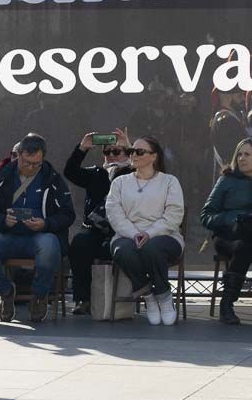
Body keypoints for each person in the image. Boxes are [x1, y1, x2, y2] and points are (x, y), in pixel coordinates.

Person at [0, 134, 75, 323]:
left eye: (37, 164)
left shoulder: (53, 179)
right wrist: (2, 220)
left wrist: (46, 224)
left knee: (51, 244)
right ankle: (5, 291)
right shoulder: (1, 176)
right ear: (17, 155)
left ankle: (39, 295)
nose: (31, 168)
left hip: (39, 236)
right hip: (6, 235)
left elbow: (68, 214)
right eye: (27, 162)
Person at [107, 137, 185, 326]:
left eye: (140, 151)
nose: (133, 154)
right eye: (132, 150)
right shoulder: (120, 182)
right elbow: (114, 212)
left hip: (164, 236)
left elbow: (174, 214)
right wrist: (134, 233)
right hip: (127, 235)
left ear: (153, 157)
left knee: (152, 247)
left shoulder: (169, 181)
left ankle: (164, 295)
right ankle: (148, 295)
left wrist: (149, 232)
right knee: (122, 251)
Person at [65, 130, 133, 314]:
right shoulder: (96, 173)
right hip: (96, 227)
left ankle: (124, 297)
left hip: (123, 228)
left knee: (115, 248)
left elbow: (147, 171)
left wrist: (130, 147)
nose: (111, 156)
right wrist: (82, 148)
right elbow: (70, 172)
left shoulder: (133, 172)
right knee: (79, 244)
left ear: (126, 153)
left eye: (116, 152)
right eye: (107, 152)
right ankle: (83, 299)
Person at [200, 137, 252, 325]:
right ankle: (227, 304)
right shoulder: (227, 180)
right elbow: (205, 215)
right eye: (239, 154)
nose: (241, 158)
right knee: (244, 247)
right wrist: (234, 219)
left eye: (247, 154)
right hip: (227, 236)